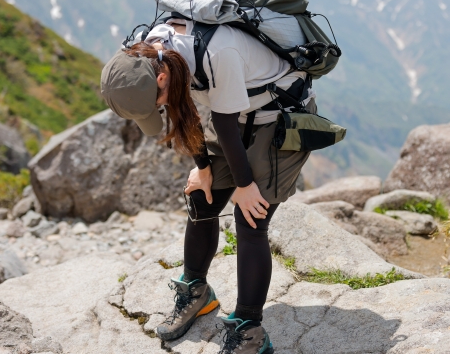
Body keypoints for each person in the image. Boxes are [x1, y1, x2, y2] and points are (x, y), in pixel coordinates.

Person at [100, 18, 316, 354]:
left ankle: (249, 329)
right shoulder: (148, 52)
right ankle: (197, 293)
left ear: (160, 78)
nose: (159, 108)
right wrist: (202, 168)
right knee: (202, 197)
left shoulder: (218, 52)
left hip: (280, 118)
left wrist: (244, 186)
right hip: (236, 116)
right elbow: (185, 110)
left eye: (156, 103)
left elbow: (225, 125)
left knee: (251, 219)